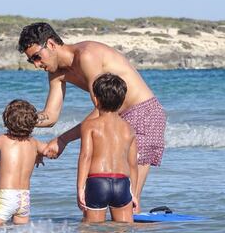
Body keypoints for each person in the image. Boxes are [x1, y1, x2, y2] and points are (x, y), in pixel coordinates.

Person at [18, 22, 166, 212]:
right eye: (32, 61)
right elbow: (50, 116)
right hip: (114, 119)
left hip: (143, 114)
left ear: (51, 44)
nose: (37, 65)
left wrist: (63, 139)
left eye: (37, 57)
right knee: (104, 190)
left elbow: (101, 108)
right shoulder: (56, 73)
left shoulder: (86, 56)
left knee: (128, 198)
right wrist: (19, 121)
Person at [0, 99, 47, 226]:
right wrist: (39, 155)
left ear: (7, 121)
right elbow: (49, 150)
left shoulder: (2, 139)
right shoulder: (34, 142)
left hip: (7, 197)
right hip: (24, 198)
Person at [77, 73, 138, 223]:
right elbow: (133, 164)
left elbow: (86, 156)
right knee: (124, 230)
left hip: (97, 182)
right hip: (122, 183)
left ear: (96, 100)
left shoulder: (89, 125)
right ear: (122, 101)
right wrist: (134, 193)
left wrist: (80, 188)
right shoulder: (129, 128)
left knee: (92, 231)